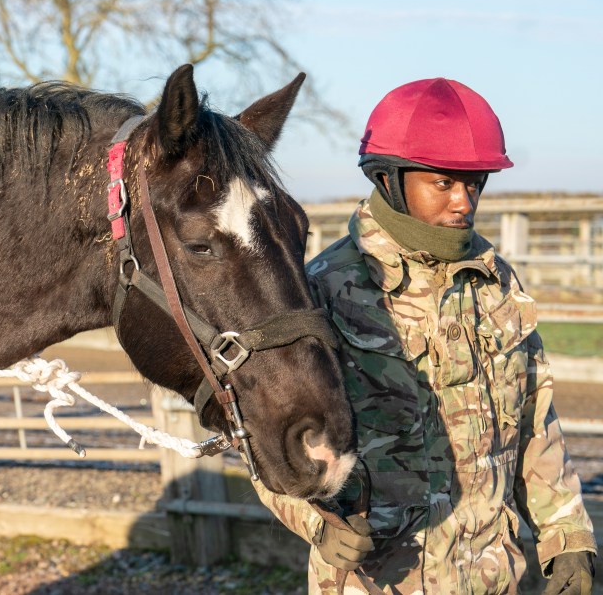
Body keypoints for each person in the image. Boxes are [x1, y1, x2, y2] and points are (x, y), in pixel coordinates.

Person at [255, 77, 597, 593]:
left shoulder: (495, 284)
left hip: (493, 578)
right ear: (389, 179)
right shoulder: (322, 294)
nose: (464, 201)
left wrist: (566, 535)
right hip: (379, 582)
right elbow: (268, 441)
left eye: (475, 183)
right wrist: (317, 524)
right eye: (443, 183)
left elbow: (534, 418)